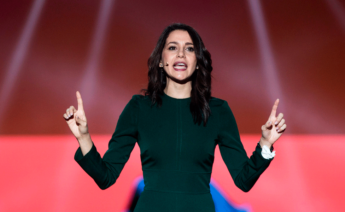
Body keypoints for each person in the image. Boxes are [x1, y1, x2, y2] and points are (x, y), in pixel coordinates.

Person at [63, 23, 286, 212]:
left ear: (197, 61)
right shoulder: (138, 108)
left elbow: (244, 181)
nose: (181, 53)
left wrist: (265, 144)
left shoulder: (218, 111)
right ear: (161, 60)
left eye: (189, 49)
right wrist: (83, 138)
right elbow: (106, 177)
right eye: (172, 47)